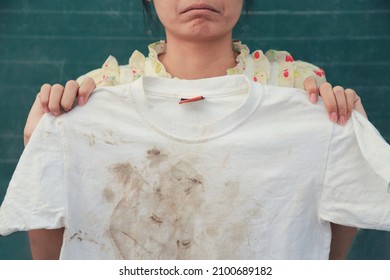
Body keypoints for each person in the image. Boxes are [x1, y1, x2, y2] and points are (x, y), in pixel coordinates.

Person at [1, 0, 387, 260]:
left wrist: (347, 147)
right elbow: (53, 250)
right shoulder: (94, 95)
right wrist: (44, 148)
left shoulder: (300, 89)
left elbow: (325, 248)